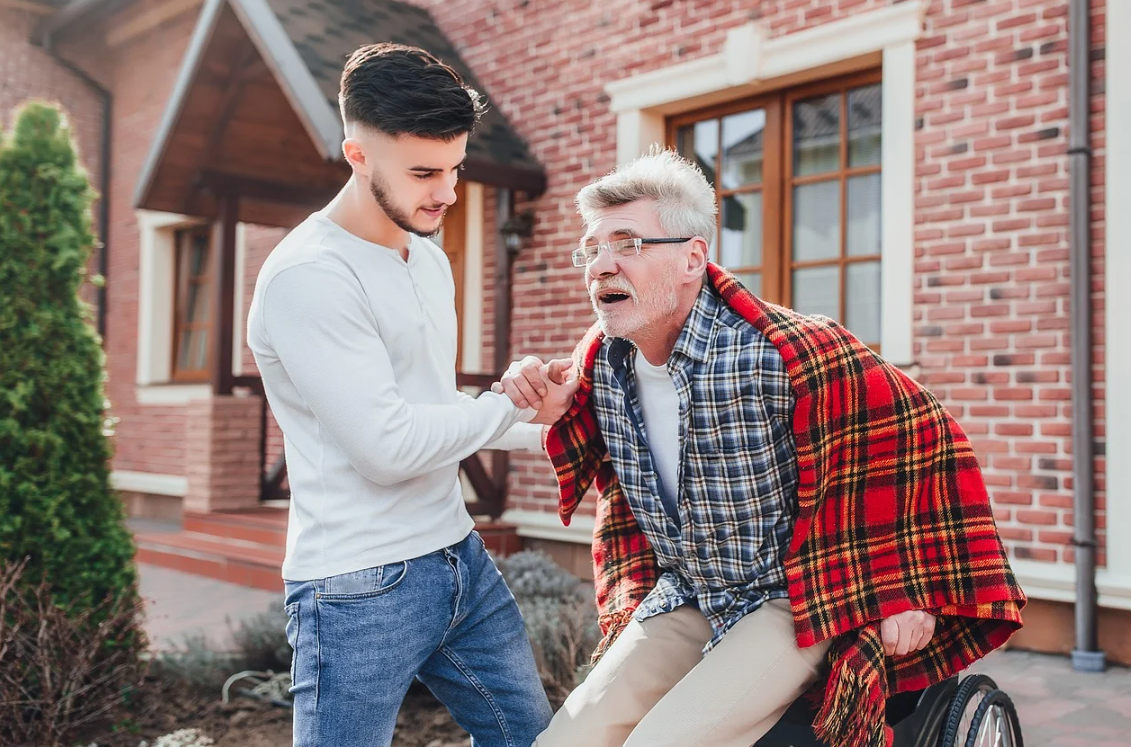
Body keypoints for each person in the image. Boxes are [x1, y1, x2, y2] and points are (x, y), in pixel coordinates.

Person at [497, 149, 1026, 747]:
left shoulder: (790, 354)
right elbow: (572, 421)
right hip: (690, 590)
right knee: (563, 741)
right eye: (591, 249)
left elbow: (927, 440)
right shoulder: (602, 363)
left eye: (628, 244)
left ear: (693, 258)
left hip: (792, 601)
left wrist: (911, 590)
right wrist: (547, 407)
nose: (601, 266)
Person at [247, 43, 574, 747]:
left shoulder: (425, 257)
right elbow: (388, 447)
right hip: (357, 586)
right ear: (357, 154)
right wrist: (509, 405)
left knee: (536, 739)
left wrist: (541, 422)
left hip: (458, 557)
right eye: (424, 172)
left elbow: (431, 405)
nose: (447, 193)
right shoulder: (309, 277)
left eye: (454, 169)